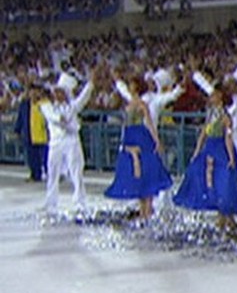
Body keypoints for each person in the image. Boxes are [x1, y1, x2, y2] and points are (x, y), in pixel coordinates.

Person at [104, 75, 172, 220]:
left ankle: (147, 211)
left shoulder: (142, 104)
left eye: (132, 84)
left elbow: (149, 124)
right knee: (136, 175)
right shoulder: (128, 104)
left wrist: (157, 141)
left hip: (141, 137)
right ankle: (143, 211)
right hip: (130, 136)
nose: (130, 86)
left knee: (146, 172)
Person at [174, 82, 237, 227]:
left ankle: (226, 216)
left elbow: (228, 137)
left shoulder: (225, 116)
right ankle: (221, 214)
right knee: (207, 179)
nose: (210, 97)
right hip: (209, 149)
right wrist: (197, 151)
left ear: (220, 96)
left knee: (222, 181)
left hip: (220, 150)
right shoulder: (210, 113)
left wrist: (230, 157)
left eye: (214, 94)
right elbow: (203, 133)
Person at [40, 73, 94, 215]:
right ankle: (51, 203)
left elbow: (83, 98)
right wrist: (62, 119)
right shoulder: (47, 106)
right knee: (52, 172)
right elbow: (54, 117)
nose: (57, 95)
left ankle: (80, 202)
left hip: (71, 140)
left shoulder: (72, 106)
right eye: (55, 92)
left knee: (76, 171)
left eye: (60, 92)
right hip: (55, 143)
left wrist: (90, 84)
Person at [14, 83, 49, 182]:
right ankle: (35, 175)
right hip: (29, 134)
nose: (34, 94)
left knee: (45, 157)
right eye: (32, 91)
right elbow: (20, 118)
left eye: (36, 91)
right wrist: (17, 130)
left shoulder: (45, 103)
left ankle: (49, 173)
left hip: (43, 134)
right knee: (32, 157)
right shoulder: (24, 104)